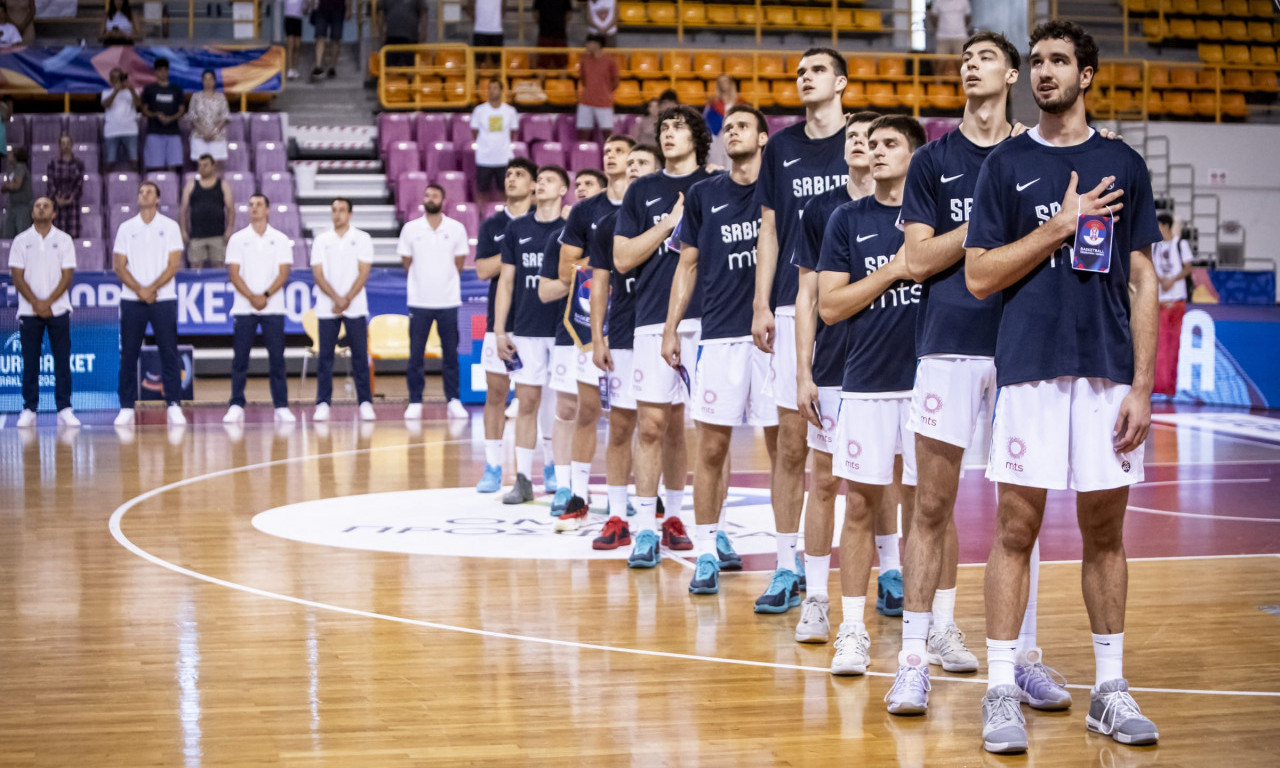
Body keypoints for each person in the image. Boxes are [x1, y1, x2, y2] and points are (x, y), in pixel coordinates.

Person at [964, 20, 1161, 753]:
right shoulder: (1005, 165)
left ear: (1087, 75)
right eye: (1037, 61)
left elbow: (1143, 279)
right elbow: (980, 275)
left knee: (1106, 534)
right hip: (1029, 370)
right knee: (1015, 530)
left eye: (1058, 61)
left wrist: (1143, 386)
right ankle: (999, 688)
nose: (1043, 71)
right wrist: (1059, 227)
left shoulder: (1124, 163)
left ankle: (1109, 688)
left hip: (1108, 373)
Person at [886, 32, 1029, 713]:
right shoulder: (932, 160)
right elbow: (915, 262)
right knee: (930, 507)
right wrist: (982, 243)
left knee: (1020, 519)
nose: (970, 65)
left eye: (984, 57)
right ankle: (913, 658)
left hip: (1022, 347)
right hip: (946, 345)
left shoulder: (1037, 154)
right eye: (963, 58)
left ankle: (1023, 660)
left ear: (1011, 73)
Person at [750, 47, 853, 613]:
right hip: (795, 307)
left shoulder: (866, 139)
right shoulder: (782, 147)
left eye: (815, 71)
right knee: (793, 445)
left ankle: (886, 567)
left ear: (841, 82)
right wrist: (763, 302)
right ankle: (787, 565)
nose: (803, 78)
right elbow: (769, 230)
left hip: (861, 304)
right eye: (798, 72)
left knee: (870, 446)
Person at [663, 105, 775, 596]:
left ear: (764, 138)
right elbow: (686, 265)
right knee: (711, 448)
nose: (732, 132)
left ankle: (788, 560)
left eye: (742, 126)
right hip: (720, 337)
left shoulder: (781, 192)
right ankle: (706, 552)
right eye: (727, 127)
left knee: (785, 452)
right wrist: (671, 329)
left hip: (772, 338)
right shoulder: (705, 194)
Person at [613, 105, 719, 568]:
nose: (669, 134)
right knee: (653, 424)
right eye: (664, 128)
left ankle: (683, 520)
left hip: (713, 320)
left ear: (697, 136)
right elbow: (621, 259)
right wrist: (669, 221)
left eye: (678, 127)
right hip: (654, 317)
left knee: (708, 431)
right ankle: (644, 530)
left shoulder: (718, 185)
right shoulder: (642, 190)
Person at [791, 111, 880, 644]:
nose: (857, 144)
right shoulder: (821, 208)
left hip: (886, 365)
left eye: (868, 139)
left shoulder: (910, 209)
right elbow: (806, 296)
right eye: (851, 137)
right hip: (832, 366)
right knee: (823, 482)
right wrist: (802, 371)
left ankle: (890, 579)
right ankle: (817, 600)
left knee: (884, 485)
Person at [549, 135, 634, 528]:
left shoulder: (646, 203)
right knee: (588, 410)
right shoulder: (586, 212)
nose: (610, 155)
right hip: (591, 317)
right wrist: (610, 257)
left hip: (638, 316)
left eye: (619, 151)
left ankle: (630, 494)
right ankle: (577, 493)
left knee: (636, 415)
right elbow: (569, 265)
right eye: (608, 151)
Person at [588, 143, 660, 548]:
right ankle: (617, 513)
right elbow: (599, 283)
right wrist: (598, 336)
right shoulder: (607, 224)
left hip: (667, 333)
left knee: (667, 430)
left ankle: (671, 512)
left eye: (641, 163)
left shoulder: (678, 217)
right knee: (621, 427)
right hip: (625, 335)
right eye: (628, 163)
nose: (633, 168)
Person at [493, 165, 571, 503]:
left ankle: (564, 479)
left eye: (549, 180)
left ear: (564, 190)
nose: (540, 184)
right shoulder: (517, 227)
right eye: (538, 180)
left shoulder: (571, 229)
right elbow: (506, 282)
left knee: (565, 409)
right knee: (527, 403)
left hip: (565, 330)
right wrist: (499, 330)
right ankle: (523, 479)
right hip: (526, 329)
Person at [474, 157, 538, 493]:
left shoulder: (547, 222)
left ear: (534, 185)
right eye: (508, 174)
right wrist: (516, 249)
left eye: (519, 175)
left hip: (538, 321)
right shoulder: (492, 225)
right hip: (499, 321)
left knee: (538, 399)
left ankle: (551, 467)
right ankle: (493, 466)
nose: (511, 179)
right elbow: (483, 270)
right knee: (496, 392)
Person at [112, 181, 186, 427]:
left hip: (163, 299)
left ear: (158, 198)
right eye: (140, 191)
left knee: (169, 352)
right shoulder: (126, 227)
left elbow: (174, 264)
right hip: (133, 300)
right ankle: (126, 407)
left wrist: (151, 289)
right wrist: (140, 290)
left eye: (148, 191)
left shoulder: (170, 226)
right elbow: (119, 266)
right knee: (129, 354)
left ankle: (174, 404)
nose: (143, 194)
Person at [398, 184, 471, 420]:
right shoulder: (410, 228)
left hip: (448, 301)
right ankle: (415, 401)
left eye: (435, 195)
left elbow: (459, 261)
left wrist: (444, 281)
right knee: (415, 354)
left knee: (450, 354)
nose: (430, 198)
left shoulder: (456, 228)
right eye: (427, 194)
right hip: (419, 301)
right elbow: (407, 261)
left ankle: (453, 399)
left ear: (443, 200)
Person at [223, 193, 295, 424]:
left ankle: (281, 406)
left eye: (259, 204)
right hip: (244, 308)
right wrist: (252, 297)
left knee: (277, 359)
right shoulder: (237, 239)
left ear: (268, 210)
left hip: (273, 307)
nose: (254, 208)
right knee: (240, 359)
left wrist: (264, 296)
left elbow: (283, 273)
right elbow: (234, 274)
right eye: (251, 204)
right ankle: (236, 404)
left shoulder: (281, 239)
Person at [9, 197, 79, 428]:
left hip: (58, 310)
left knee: (61, 361)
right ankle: (29, 408)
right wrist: (36, 302)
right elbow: (17, 276)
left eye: (45, 205)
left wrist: (47, 301)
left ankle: (64, 408)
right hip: (29, 312)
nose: (40, 208)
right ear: (32, 213)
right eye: (37, 205)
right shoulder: (21, 240)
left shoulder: (64, 240)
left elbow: (67, 276)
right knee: (29, 362)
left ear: (54, 213)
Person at [311, 197, 375, 422]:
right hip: (327, 307)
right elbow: (318, 274)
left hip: (355, 306)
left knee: (359, 357)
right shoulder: (321, 239)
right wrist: (336, 298)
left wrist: (346, 298)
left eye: (341, 210)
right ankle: (322, 403)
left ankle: (365, 402)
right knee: (325, 358)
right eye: (334, 210)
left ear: (350, 214)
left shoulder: (362, 238)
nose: (337, 214)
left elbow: (363, 272)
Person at [1153, 212, 1193, 397]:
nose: (1158, 229)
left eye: (1160, 226)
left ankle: (1170, 388)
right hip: (1160, 302)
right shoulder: (1155, 246)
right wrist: (1161, 279)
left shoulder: (1180, 244)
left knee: (1173, 346)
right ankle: (1157, 386)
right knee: (1158, 346)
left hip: (1176, 301)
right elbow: (1150, 268)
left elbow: (1188, 268)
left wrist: (1171, 279)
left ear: (1166, 226)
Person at [179, 154, 235, 268]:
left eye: (205, 165)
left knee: (218, 269)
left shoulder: (222, 185)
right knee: (195, 269)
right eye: (199, 165)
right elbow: (183, 210)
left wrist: (229, 229)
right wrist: (183, 230)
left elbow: (231, 209)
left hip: (218, 235)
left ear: (213, 166)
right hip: (196, 236)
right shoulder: (191, 186)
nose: (202, 168)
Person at [470, 80, 520, 207]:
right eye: (490, 88)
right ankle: (481, 217)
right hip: (484, 158)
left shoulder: (510, 111)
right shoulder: (479, 110)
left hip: (504, 158)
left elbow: (513, 133)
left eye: (495, 88)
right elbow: (475, 131)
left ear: (501, 90)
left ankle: (504, 215)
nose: (492, 91)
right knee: (482, 190)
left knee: (505, 190)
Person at [141, 57, 185, 173]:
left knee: (174, 166)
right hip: (154, 132)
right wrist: (155, 115)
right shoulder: (149, 89)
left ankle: (172, 189)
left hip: (173, 132)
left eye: (166, 69)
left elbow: (181, 109)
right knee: (155, 166)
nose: (163, 72)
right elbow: (144, 110)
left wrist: (171, 118)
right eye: (160, 70)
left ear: (168, 71)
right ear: (155, 72)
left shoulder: (176, 89)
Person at [576, 34, 619, 142]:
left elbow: (615, 81)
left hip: (604, 102)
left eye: (589, 42)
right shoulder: (584, 60)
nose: (586, 45)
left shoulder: (610, 61)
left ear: (597, 44)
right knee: (583, 132)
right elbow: (583, 79)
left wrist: (604, 92)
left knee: (607, 134)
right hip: (586, 101)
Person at [45, 135, 85, 240]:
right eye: (63, 143)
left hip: (73, 203)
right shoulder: (52, 163)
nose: (66, 146)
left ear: (72, 145)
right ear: (59, 146)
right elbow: (50, 182)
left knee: (72, 237)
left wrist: (71, 198)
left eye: (68, 143)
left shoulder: (78, 163)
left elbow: (79, 183)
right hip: (56, 202)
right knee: (57, 236)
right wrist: (57, 198)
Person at [102, 67, 141, 172]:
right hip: (112, 131)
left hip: (130, 130)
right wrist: (116, 91)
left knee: (134, 161)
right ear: (110, 80)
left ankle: (136, 184)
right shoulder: (106, 92)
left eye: (119, 78)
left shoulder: (133, 91)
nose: (117, 81)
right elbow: (107, 104)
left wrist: (131, 90)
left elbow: (138, 104)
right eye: (114, 78)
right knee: (110, 161)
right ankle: (108, 185)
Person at [188, 70, 229, 165]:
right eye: (205, 79)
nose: (208, 81)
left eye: (210, 79)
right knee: (202, 168)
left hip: (217, 137)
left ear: (215, 81)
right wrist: (203, 132)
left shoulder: (221, 97)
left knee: (215, 168)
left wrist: (213, 132)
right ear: (202, 81)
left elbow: (224, 117)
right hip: (199, 137)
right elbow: (192, 117)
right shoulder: (196, 97)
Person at [377, 0, 429, 68]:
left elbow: (423, 13)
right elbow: (380, 14)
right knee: (392, 68)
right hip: (393, 37)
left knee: (409, 67)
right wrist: (381, 35)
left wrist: (423, 36)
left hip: (408, 37)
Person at [704, 75, 738, 169]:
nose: (724, 84)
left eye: (726, 81)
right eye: (721, 82)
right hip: (717, 135)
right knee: (716, 162)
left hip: (733, 134)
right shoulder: (713, 103)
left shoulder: (738, 102)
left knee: (732, 162)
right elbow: (707, 120)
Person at [929, 0, 971, 76]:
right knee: (940, 64)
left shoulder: (963, 1)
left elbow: (968, 18)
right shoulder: (938, 1)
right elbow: (933, 17)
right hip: (943, 38)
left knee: (962, 65)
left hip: (960, 37)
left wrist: (960, 29)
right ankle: (938, 86)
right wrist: (941, 29)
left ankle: (963, 86)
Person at [310, 0, 348, 81]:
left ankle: (332, 67)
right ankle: (318, 66)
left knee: (335, 39)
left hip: (338, 8)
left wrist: (349, 8)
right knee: (320, 37)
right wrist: (312, 5)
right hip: (322, 8)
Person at [2, 147, 33, 238]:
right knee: (7, 234)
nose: (8, 155)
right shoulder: (10, 170)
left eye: (11, 153)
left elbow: (16, 185)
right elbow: (4, 188)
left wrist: (9, 185)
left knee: (22, 235)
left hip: (23, 207)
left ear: (16, 156)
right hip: (12, 206)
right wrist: (9, 185)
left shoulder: (21, 167)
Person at [533, 0, 571, 68]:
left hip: (559, 34)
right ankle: (541, 79)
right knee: (542, 63)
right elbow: (535, 13)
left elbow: (568, 14)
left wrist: (561, 25)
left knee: (562, 63)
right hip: (545, 34)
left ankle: (563, 79)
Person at [470, 0, 504, 67]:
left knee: (498, 62)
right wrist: (477, 21)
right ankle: (476, 77)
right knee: (477, 61)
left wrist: (497, 21)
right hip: (480, 30)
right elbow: (469, 6)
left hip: (496, 30)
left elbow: (504, 7)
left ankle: (499, 77)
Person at [283, 0, 306, 79]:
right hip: (289, 18)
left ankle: (294, 67)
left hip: (298, 19)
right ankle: (289, 69)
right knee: (290, 45)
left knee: (297, 46)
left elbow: (305, 7)